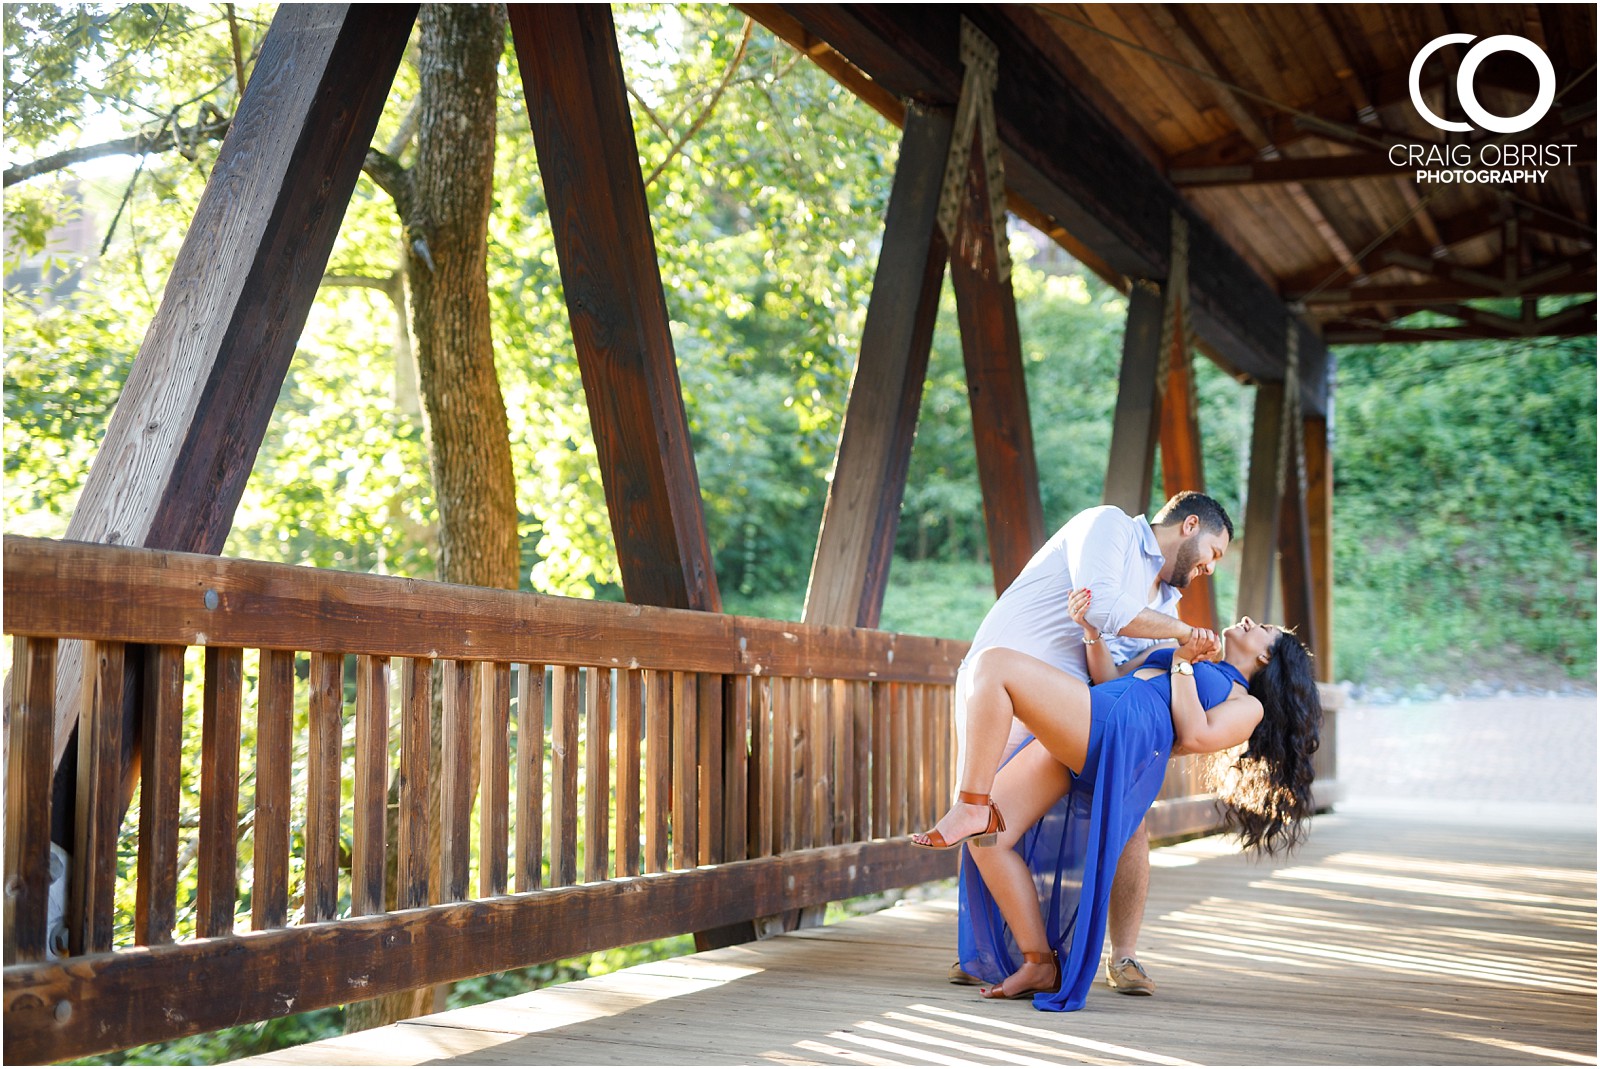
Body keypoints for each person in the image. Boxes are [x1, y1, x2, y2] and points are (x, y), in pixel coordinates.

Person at [921, 608, 1322, 1011]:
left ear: (1268, 658)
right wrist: (1092, 634)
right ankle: (1038, 961)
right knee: (987, 840)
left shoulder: (1246, 704)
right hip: (1097, 714)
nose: (1251, 620)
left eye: (1265, 629)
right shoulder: (1186, 654)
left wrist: (1183, 664)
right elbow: (1112, 678)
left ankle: (971, 803)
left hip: (1120, 728)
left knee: (995, 664)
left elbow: (1196, 733)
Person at [915, 491, 1232, 995]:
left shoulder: (1166, 602)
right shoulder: (1110, 528)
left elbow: (1120, 672)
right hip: (999, 690)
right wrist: (1180, 633)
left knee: (1124, 813)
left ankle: (1123, 956)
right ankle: (989, 952)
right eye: (1214, 554)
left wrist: (1178, 650)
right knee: (986, 824)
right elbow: (1104, 605)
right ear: (1190, 525)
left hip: (1074, 704)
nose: (1209, 569)